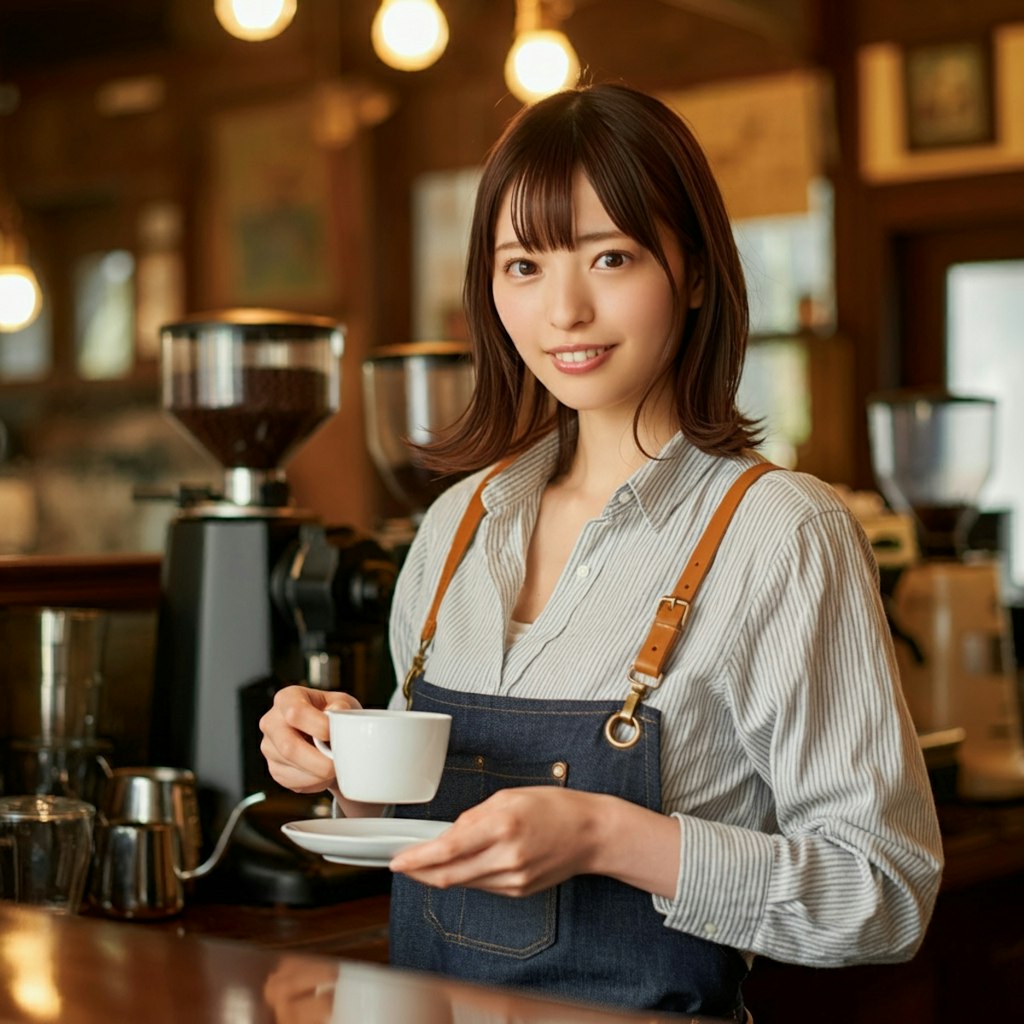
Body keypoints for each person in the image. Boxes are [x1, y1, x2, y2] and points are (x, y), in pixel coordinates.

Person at [260, 82, 943, 1020]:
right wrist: (344, 773)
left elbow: (885, 895)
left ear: (695, 273)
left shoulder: (781, 532)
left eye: (611, 256)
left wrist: (608, 837)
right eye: (523, 266)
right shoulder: (457, 524)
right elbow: (419, 840)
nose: (564, 310)